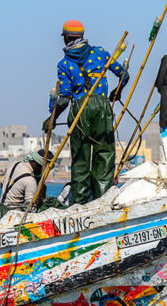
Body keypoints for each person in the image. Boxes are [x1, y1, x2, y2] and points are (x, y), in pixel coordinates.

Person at [42, 20, 129, 205]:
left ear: (66, 38)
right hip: (102, 107)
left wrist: (52, 117)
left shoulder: (64, 64)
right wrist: (117, 92)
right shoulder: (100, 53)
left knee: (81, 159)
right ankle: (103, 200)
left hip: (80, 110)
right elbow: (124, 74)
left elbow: (64, 98)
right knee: (104, 155)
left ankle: (80, 204)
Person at [0, 149, 53, 225]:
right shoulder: (30, 180)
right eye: (42, 169)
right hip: (13, 218)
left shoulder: (15, 164)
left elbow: (2, 183)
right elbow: (30, 206)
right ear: (38, 165)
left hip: (0, 211)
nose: (42, 172)